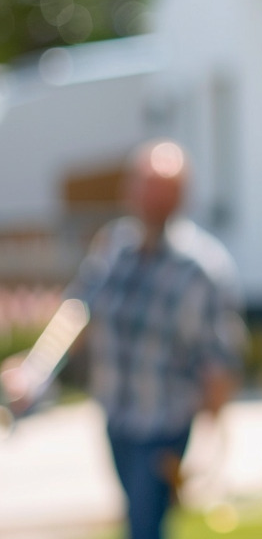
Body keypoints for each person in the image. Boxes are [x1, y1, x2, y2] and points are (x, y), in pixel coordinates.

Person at [2, 140, 245, 539]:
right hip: (117, 417)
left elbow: (219, 362)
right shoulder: (115, 247)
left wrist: (209, 446)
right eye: (146, 186)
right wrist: (34, 372)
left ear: (181, 197)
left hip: (164, 425)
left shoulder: (202, 268)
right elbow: (77, 314)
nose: (152, 199)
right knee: (137, 519)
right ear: (129, 190)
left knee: (145, 527)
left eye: (164, 189)